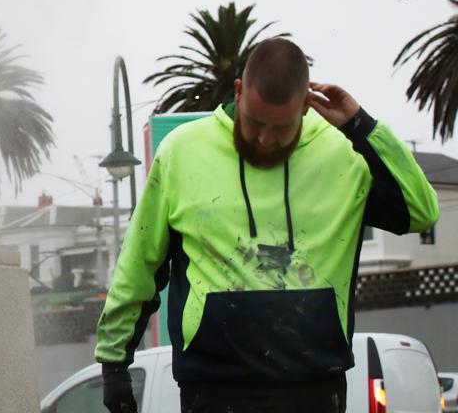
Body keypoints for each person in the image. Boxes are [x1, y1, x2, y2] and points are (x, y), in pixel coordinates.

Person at [96, 38, 439, 413]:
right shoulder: (182, 151)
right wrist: (114, 365)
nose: (264, 139)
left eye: (281, 127)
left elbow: (420, 211)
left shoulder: (342, 154)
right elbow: (140, 262)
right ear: (239, 91)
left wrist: (361, 125)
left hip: (315, 384)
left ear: (307, 106)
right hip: (213, 386)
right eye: (255, 122)